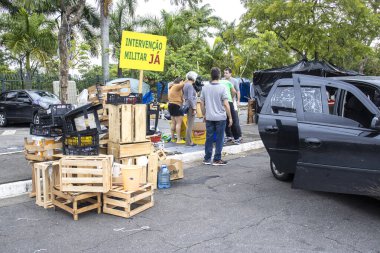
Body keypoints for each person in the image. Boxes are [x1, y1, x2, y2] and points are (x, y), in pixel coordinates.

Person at [200, 67, 233, 166]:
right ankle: (217, 159)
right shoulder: (222, 87)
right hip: (220, 118)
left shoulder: (205, 87)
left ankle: (207, 158)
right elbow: (226, 104)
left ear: (211, 75)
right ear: (219, 75)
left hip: (209, 117)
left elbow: (201, 103)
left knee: (209, 138)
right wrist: (230, 117)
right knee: (219, 138)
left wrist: (204, 114)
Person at [224, 67, 242, 143]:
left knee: (235, 119)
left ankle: (238, 135)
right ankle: (229, 136)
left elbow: (237, 91)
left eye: (226, 73)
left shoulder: (234, 81)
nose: (225, 74)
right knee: (226, 119)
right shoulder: (222, 80)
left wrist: (238, 101)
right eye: (224, 73)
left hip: (232, 101)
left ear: (230, 73)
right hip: (225, 102)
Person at [220, 79, 241, 145]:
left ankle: (226, 138)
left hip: (220, 101)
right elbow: (234, 91)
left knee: (223, 120)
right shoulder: (228, 82)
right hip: (229, 101)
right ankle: (236, 138)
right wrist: (231, 98)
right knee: (233, 119)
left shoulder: (216, 83)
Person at [168, 77, 186, 144]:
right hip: (176, 105)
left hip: (170, 105)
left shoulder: (172, 86)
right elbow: (183, 84)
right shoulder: (177, 86)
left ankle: (172, 138)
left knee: (173, 122)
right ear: (180, 81)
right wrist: (188, 79)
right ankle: (178, 139)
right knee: (178, 123)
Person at [183, 71, 198, 146]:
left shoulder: (186, 84)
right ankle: (189, 142)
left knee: (189, 124)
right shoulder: (190, 86)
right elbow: (190, 98)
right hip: (191, 106)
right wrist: (194, 108)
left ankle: (188, 141)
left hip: (188, 105)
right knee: (190, 125)